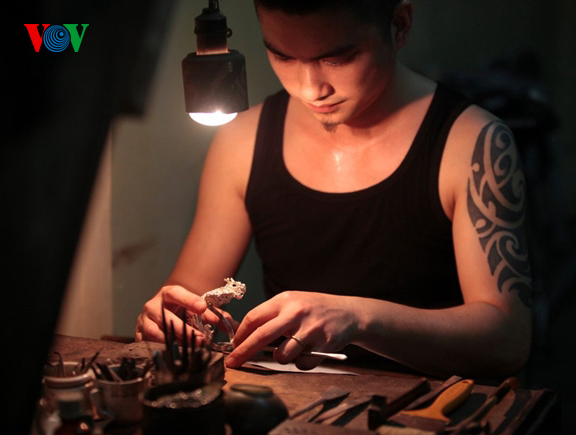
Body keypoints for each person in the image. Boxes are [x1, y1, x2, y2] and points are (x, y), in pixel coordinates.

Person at [136, 0, 532, 377]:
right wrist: (165, 319)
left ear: (399, 26)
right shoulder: (243, 140)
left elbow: (507, 341)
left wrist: (358, 318)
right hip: (293, 402)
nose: (311, 88)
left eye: (337, 59)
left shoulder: (471, 144)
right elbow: (188, 296)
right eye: (283, 56)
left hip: (433, 404)